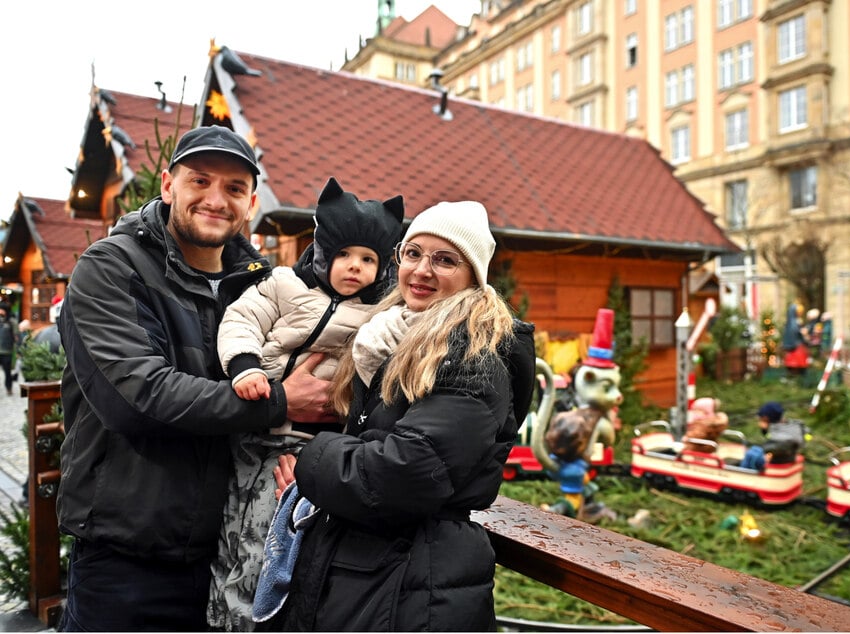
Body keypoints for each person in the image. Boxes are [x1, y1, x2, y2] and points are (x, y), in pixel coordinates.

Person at [55, 125, 334, 632]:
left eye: (233, 188)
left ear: (250, 202)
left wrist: (310, 452)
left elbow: (318, 367)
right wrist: (278, 403)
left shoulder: (264, 284)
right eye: (199, 181)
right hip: (127, 556)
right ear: (168, 185)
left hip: (228, 548)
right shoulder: (111, 269)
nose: (215, 199)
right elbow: (136, 397)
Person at [254, 200, 536, 631]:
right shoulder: (388, 336)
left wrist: (312, 462)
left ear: (472, 277)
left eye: (445, 260)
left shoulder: (471, 359)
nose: (422, 270)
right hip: (375, 570)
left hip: (414, 584)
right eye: (413, 253)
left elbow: (405, 472)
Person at [207, 176, 404, 631]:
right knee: (228, 535)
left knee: (263, 546)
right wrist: (245, 366)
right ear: (322, 252)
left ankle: (245, 622)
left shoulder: (376, 316)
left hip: (302, 447)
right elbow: (242, 318)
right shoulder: (282, 285)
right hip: (251, 425)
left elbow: (383, 363)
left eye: (368, 259)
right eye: (344, 255)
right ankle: (217, 619)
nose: (355, 267)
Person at [739, 401, 809, 470]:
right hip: (787, 461)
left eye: (761, 419)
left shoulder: (778, 437)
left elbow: (768, 448)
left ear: (765, 418)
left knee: (752, 455)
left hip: (778, 465)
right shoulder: (792, 427)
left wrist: (764, 430)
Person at [0, 304, 17, 395]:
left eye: (1, 310)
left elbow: (16, 337)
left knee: (7, 372)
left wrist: (17, 350)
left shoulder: (11, 322)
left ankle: (9, 388)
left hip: (7, 351)